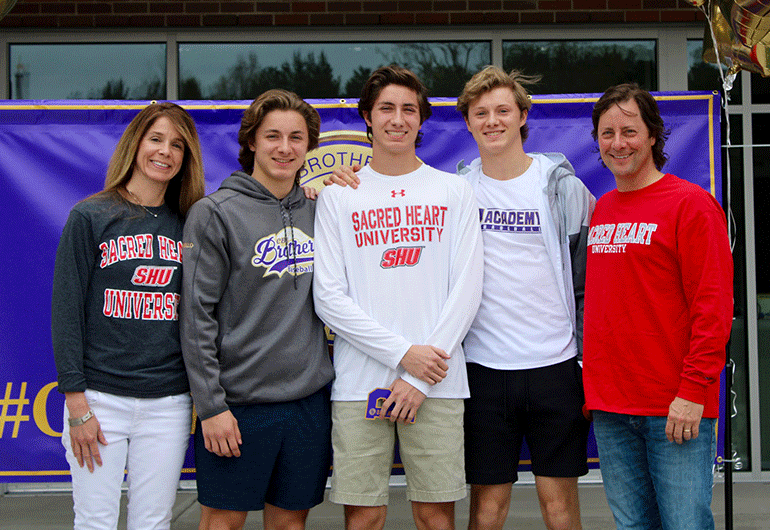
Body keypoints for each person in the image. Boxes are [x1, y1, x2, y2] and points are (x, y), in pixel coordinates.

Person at [312, 65, 484, 530]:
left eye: (409, 109)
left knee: (435, 516)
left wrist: (421, 376)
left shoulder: (454, 190)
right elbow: (328, 297)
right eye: (386, 108)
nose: (397, 119)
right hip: (358, 383)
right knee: (364, 516)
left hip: (440, 383)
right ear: (367, 116)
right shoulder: (338, 197)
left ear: (422, 120)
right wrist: (404, 355)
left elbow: (467, 290)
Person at [180, 89, 334, 530]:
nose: (284, 148)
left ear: (309, 145)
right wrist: (210, 407)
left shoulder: (320, 209)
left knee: (289, 523)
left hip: (307, 402)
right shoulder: (215, 212)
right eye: (272, 136)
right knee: (222, 523)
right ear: (251, 142)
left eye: (296, 137)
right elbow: (195, 319)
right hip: (239, 405)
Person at [583, 83, 733, 530]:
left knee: (685, 524)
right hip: (612, 406)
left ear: (652, 136)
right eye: (607, 133)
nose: (618, 143)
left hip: (675, 405)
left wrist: (692, 392)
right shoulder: (604, 208)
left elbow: (713, 306)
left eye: (629, 131)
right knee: (632, 526)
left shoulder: (690, 205)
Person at [52, 102, 206, 530]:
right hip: (100, 400)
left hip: (169, 403)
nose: (165, 152)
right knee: (95, 520)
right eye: (156, 139)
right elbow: (66, 312)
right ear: (135, 144)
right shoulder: (91, 215)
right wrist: (77, 404)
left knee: (153, 521)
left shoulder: (192, 222)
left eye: (178, 145)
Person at [455, 66, 593, 530]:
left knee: (559, 507)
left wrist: (584, 361)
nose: (492, 121)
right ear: (468, 122)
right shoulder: (457, 193)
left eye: (502, 111)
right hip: (484, 370)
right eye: (481, 113)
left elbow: (589, 283)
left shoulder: (563, 189)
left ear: (522, 115)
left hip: (554, 365)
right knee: (487, 509)